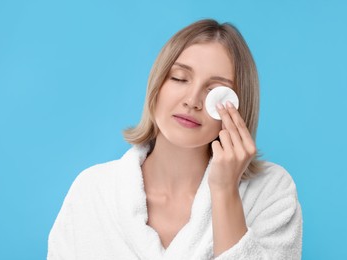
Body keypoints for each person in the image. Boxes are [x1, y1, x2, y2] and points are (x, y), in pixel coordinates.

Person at [48, 19, 302, 260]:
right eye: (179, 78)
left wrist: (225, 191)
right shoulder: (93, 191)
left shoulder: (271, 191)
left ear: (238, 105)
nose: (192, 100)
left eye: (214, 91)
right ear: (157, 85)